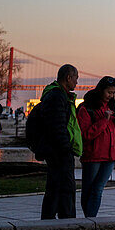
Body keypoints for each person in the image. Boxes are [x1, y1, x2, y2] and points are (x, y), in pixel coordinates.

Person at [76, 76, 115, 218]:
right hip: (93, 156)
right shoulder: (87, 109)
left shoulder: (111, 107)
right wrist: (104, 120)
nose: (111, 96)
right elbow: (85, 135)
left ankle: (91, 219)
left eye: (113, 93)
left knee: (98, 189)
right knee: (89, 189)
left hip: (110, 156)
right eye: (108, 92)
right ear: (100, 90)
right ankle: (90, 219)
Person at [40, 64, 82, 220]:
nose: (77, 83)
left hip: (56, 150)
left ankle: (54, 219)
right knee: (64, 188)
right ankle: (65, 221)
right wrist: (66, 148)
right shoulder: (57, 96)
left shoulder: (56, 95)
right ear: (68, 77)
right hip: (59, 151)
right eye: (76, 78)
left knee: (57, 187)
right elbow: (57, 126)